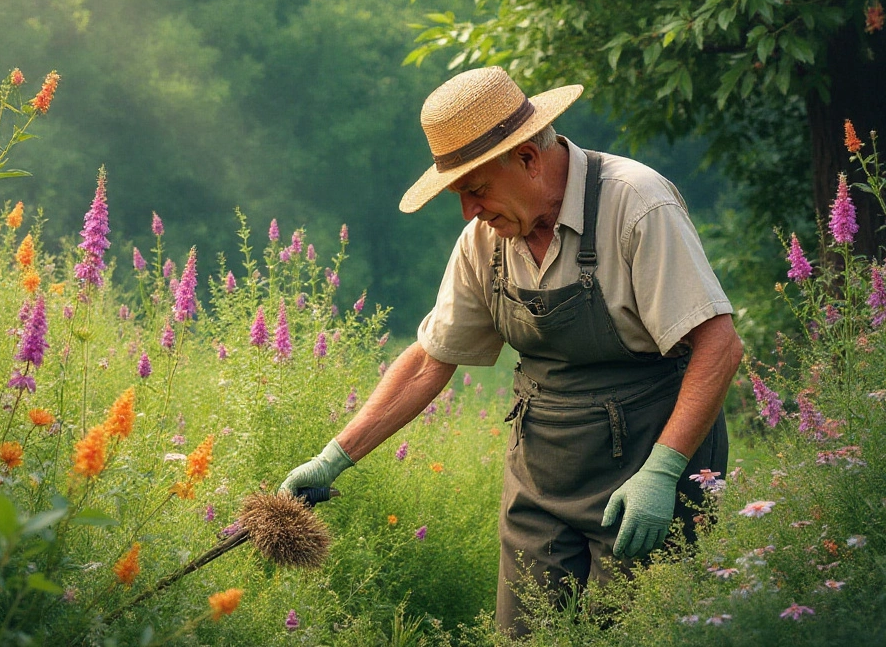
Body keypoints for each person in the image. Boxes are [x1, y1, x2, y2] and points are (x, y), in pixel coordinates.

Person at [278, 66, 741, 636]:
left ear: (526, 157)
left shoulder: (636, 204)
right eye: (459, 194)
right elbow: (430, 359)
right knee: (526, 633)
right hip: (543, 470)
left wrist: (663, 472)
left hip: (649, 461)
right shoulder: (485, 239)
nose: (468, 211)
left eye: (476, 189)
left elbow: (718, 344)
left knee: (631, 632)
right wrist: (334, 457)